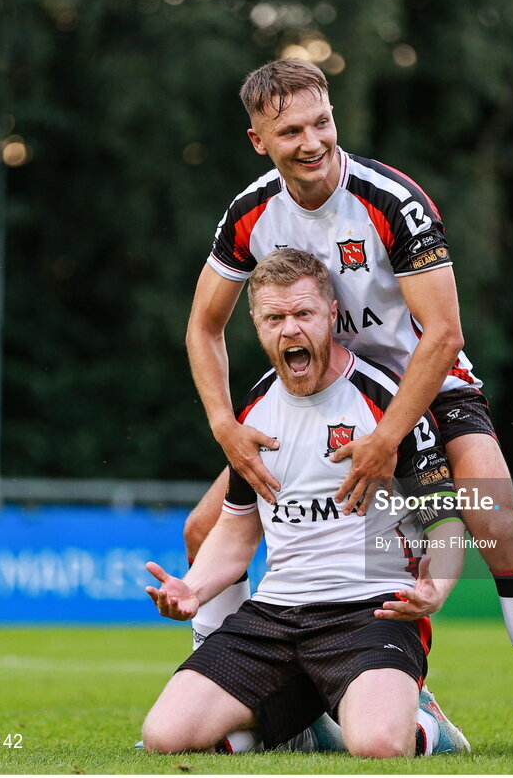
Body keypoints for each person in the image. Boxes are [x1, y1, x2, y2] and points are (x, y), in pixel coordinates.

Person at [183, 58, 513, 756]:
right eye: (291, 131)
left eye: (322, 121)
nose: (313, 141)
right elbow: (203, 326)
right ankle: (277, 713)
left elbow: (445, 335)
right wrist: (225, 426)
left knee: (492, 522)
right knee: (202, 531)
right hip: (317, 397)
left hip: (429, 386)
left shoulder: (391, 199)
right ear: (258, 141)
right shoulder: (250, 213)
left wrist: (389, 437)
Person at [142, 250, 469, 757]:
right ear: (256, 323)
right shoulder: (253, 408)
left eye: (303, 314)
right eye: (275, 318)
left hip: (371, 612)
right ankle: (306, 723)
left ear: (331, 315)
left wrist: (439, 585)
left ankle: (428, 725)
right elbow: (236, 529)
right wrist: (194, 587)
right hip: (275, 615)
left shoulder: (385, 398)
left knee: (378, 746)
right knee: (165, 737)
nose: (290, 330)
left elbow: (445, 518)